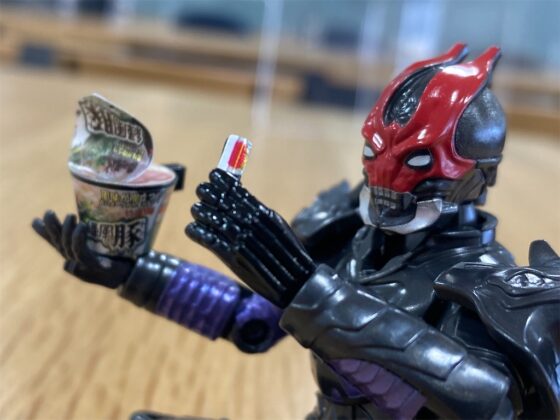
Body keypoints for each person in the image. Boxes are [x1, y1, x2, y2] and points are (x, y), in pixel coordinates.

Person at [33, 44, 559, 419]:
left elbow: (487, 401)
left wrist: (314, 294)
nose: (387, 178)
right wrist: (135, 273)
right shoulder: (352, 237)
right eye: (374, 151)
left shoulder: (490, 285)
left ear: (478, 174)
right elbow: (252, 321)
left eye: (419, 160)